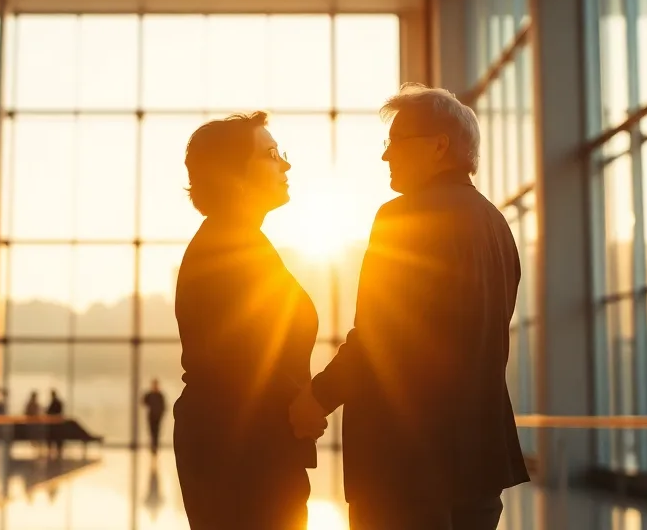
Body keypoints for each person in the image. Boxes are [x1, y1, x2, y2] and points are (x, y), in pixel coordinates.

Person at [290, 84, 529, 530]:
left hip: (406, 465)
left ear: (439, 146)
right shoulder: (497, 226)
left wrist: (316, 398)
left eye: (396, 142)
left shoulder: (402, 217)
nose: (386, 156)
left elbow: (378, 338)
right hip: (479, 459)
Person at [174, 112, 322, 529]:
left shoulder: (240, 240)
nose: (285, 164)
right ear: (233, 175)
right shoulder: (229, 247)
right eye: (272, 154)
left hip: (247, 447)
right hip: (242, 455)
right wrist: (306, 406)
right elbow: (245, 361)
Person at [143, 379, 167, 454]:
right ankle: (154, 446)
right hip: (153, 416)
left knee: (156, 432)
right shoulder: (152, 394)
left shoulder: (158, 395)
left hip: (156, 416)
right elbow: (144, 402)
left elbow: (163, 406)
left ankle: (154, 446)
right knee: (153, 431)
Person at [45, 389, 64, 457]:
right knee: (55, 438)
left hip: (55, 423)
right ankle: (56, 450)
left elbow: (51, 412)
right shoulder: (57, 402)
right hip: (55, 423)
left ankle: (57, 450)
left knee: (55, 437)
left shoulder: (55, 402)